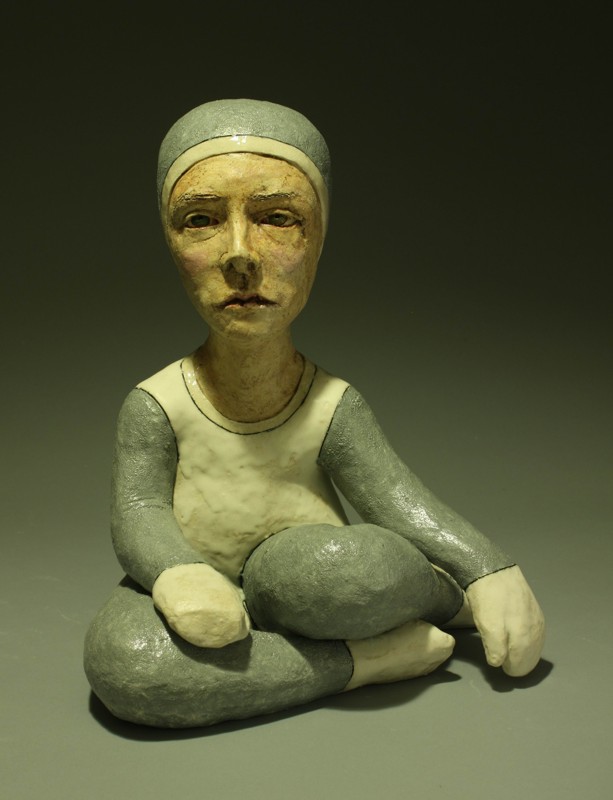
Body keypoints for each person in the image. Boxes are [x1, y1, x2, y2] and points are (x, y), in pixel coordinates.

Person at [84, 99, 545, 729]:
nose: (240, 255)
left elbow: (396, 499)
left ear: (318, 240)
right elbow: (138, 512)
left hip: (309, 572)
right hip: (196, 591)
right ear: (171, 242)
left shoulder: (329, 403)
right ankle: (365, 661)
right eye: (201, 220)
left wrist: (487, 570)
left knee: (348, 572)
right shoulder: (156, 404)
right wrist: (176, 571)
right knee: (126, 665)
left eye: (278, 218)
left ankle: (442, 600)